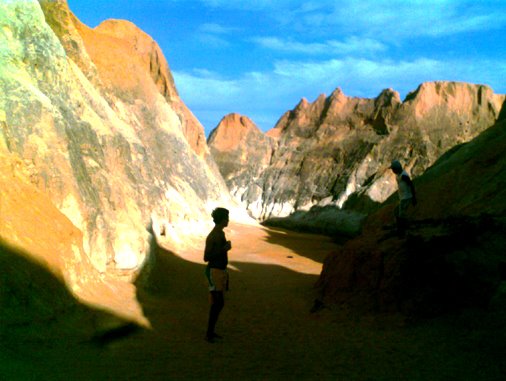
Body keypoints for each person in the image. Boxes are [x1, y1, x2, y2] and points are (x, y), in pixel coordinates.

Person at [204, 207, 231, 343]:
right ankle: (209, 333)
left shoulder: (220, 233)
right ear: (222, 220)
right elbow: (206, 257)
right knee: (217, 303)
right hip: (214, 272)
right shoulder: (214, 235)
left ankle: (211, 332)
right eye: (227, 218)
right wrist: (224, 249)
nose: (229, 220)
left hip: (218, 272)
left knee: (218, 303)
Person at [390, 160, 417, 234]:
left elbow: (411, 185)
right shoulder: (398, 175)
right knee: (397, 212)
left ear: (397, 168)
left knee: (401, 214)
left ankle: (402, 229)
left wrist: (414, 197)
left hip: (406, 197)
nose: (392, 171)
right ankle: (401, 227)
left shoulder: (404, 175)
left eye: (393, 169)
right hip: (403, 197)